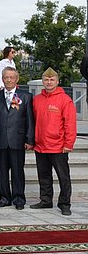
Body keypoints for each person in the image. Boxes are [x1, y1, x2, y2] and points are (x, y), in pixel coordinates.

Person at [31, 67, 77, 216]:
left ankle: (65, 203)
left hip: (58, 146)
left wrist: (68, 144)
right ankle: (45, 200)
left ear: (57, 81)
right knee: (43, 176)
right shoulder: (37, 99)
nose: (49, 82)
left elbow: (70, 123)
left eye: (52, 80)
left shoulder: (65, 100)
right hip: (40, 145)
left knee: (63, 177)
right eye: (46, 79)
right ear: (42, 81)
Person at [0, 67, 34, 210]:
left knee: (17, 170)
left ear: (17, 79)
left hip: (18, 139)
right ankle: (4, 198)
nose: (8, 80)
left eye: (11, 77)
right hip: (0, 139)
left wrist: (29, 139)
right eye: (6, 77)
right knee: (2, 171)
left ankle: (19, 198)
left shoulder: (26, 96)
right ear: (2, 79)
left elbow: (30, 120)